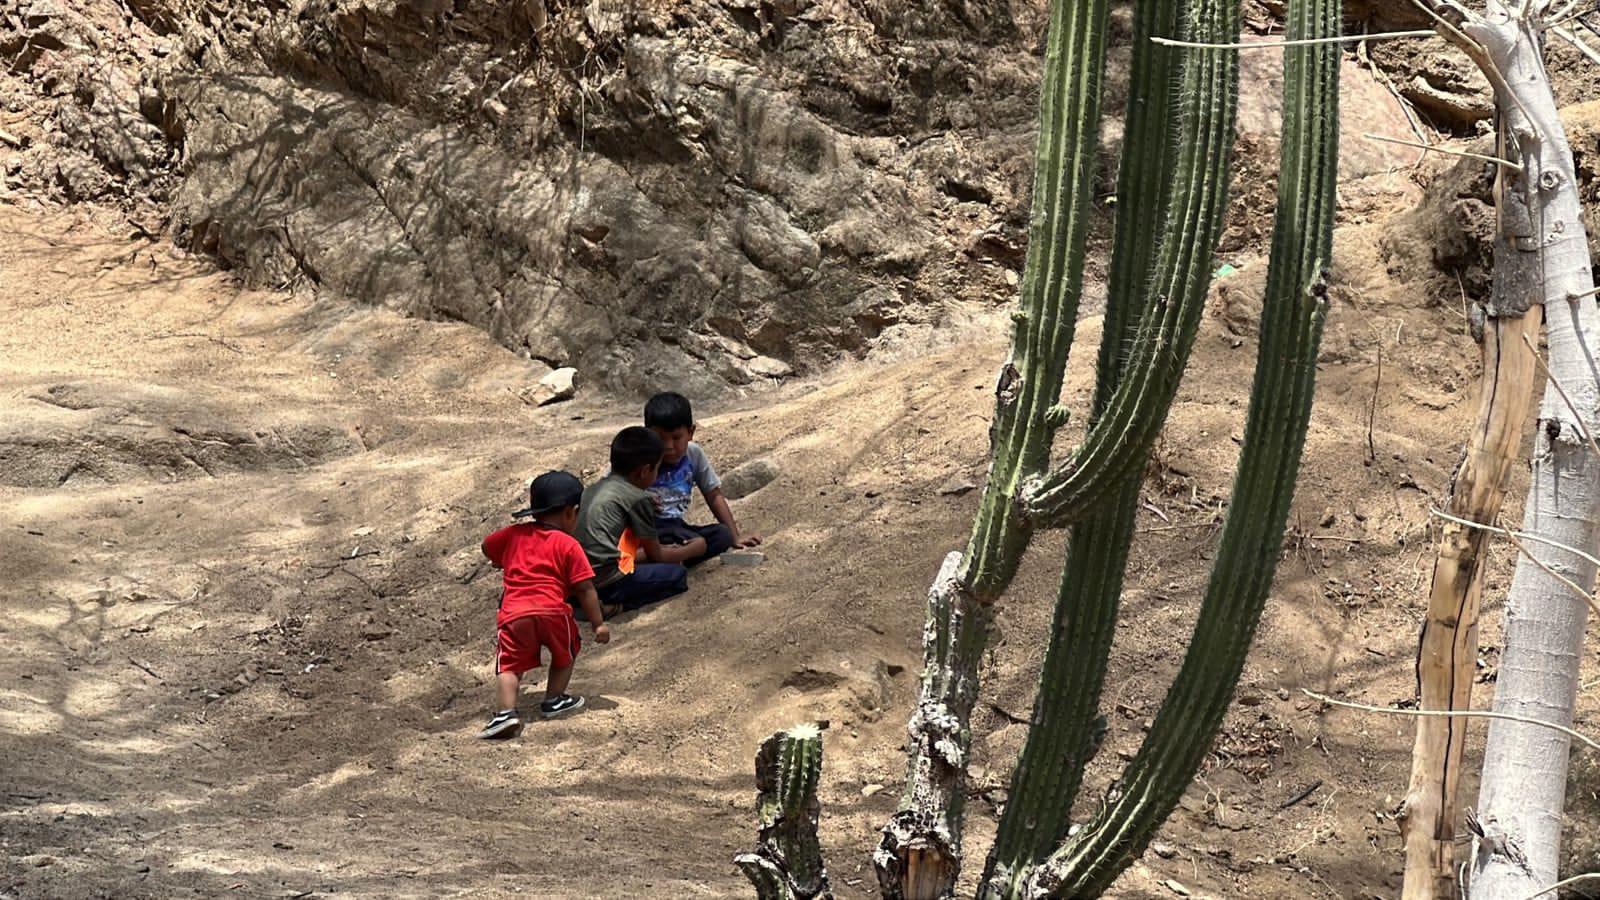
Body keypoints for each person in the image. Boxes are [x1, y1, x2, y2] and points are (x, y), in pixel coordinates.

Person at [478, 471, 610, 740]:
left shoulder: (514, 534)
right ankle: (554, 699)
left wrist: (500, 558)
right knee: (565, 653)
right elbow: (585, 589)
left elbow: (487, 545)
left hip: (514, 614)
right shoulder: (569, 545)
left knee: (510, 666)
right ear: (572, 513)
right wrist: (598, 624)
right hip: (552, 611)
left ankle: (505, 714)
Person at [575, 426, 706, 611]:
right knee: (677, 576)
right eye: (657, 469)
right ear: (644, 471)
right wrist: (693, 549)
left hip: (579, 577)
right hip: (607, 580)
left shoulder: (592, 489)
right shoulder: (637, 498)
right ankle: (614, 606)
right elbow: (656, 556)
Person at [643, 392, 761, 566]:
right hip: (647, 531)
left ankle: (676, 556)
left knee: (722, 535)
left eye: (676, 438)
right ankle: (673, 555)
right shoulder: (638, 457)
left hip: (677, 528)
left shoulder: (693, 454)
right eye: (661, 439)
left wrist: (735, 536)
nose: (668, 446)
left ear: (690, 432)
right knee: (675, 536)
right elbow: (611, 490)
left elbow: (713, 494)